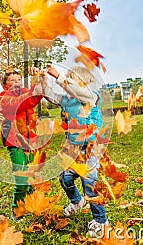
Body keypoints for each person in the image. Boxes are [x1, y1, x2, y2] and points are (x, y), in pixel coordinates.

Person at [42, 65, 108, 238]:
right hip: (72, 148)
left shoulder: (91, 97)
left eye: (71, 79)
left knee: (89, 183)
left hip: (90, 147)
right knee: (65, 178)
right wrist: (42, 78)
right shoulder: (67, 100)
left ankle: (101, 221)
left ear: (83, 83)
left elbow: (78, 91)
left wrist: (58, 75)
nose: (66, 84)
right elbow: (49, 94)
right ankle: (76, 202)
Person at [0, 67, 43, 220]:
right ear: (5, 85)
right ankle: (17, 211)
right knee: (22, 179)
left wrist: (38, 81)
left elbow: (34, 99)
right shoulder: (4, 97)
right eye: (12, 80)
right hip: (15, 142)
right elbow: (20, 103)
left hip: (30, 142)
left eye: (18, 80)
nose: (16, 83)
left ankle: (31, 206)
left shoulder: (25, 93)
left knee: (32, 177)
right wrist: (32, 90)